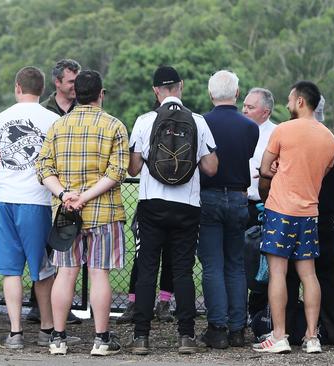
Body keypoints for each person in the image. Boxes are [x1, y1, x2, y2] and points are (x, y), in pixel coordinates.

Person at [36, 70, 129, 356]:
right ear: (101, 93)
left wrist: (66, 195)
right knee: (99, 273)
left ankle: (57, 338)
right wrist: (86, 197)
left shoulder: (58, 126)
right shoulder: (115, 126)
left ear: (76, 93)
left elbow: (43, 169)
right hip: (104, 213)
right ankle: (101, 339)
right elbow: (117, 172)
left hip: (66, 214)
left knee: (65, 273)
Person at [0, 66, 81, 349]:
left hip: (5, 199)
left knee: (10, 269)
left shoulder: (1, 118)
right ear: (43, 90)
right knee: (43, 269)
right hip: (37, 201)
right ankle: (47, 329)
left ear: (18, 87)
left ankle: (15, 332)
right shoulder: (52, 119)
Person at [128, 65, 218, 355]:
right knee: (182, 271)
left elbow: (134, 166)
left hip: (151, 204)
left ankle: (141, 338)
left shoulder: (145, 120)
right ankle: (186, 337)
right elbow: (211, 167)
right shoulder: (198, 121)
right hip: (187, 206)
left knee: (146, 270)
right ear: (180, 86)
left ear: (156, 90)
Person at [253, 81, 334, 354]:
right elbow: (319, 173)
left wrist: (277, 167)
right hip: (309, 213)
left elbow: (265, 169)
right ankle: (312, 337)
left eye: (290, 100)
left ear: (300, 101)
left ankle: (280, 336)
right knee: (309, 275)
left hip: (280, 210)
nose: (287, 105)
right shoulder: (330, 139)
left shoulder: (283, 130)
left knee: (278, 272)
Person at [284, 101, 334, 347]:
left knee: (289, 276)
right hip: (323, 218)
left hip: (291, 216)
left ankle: (291, 330)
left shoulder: (288, 138)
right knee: (328, 276)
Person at [198, 70, 258, 349]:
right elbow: (246, 155)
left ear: (211, 94)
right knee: (236, 265)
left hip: (208, 196)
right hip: (237, 197)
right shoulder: (250, 127)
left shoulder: (202, 123)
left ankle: (217, 328)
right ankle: (237, 329)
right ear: (237, 93)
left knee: (212, 264)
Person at [29, 58, 83, 326]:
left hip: (73, 191)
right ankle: (38, 306)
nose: (75, 86)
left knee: (65, 248)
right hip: (45, 188)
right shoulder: (42, 111)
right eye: (71, 81)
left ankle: (62, 307)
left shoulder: (82, 108)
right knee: (41, 249)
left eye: (77, 81)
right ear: (57, 82)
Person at [243, 87, 276, 227]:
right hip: (235, 203)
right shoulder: (236, 129)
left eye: (250, 107)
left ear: (265, 112)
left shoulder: (276, 134)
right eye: (244, 105)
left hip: (261, 206)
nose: (244, 110)